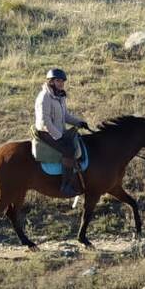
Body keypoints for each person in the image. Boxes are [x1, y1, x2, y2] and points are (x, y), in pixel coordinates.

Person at [34, 68, 90, 196]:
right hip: (46, 132)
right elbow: (45, 122)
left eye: (62, 81)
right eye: (58, 81)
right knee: (69, 150)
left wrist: (79, 122)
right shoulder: (45, 97)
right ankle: (65, 186)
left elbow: (65, 116)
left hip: (58, 131)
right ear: (51, 81)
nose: (61, 83)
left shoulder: (60, 96)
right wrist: (59, 137)